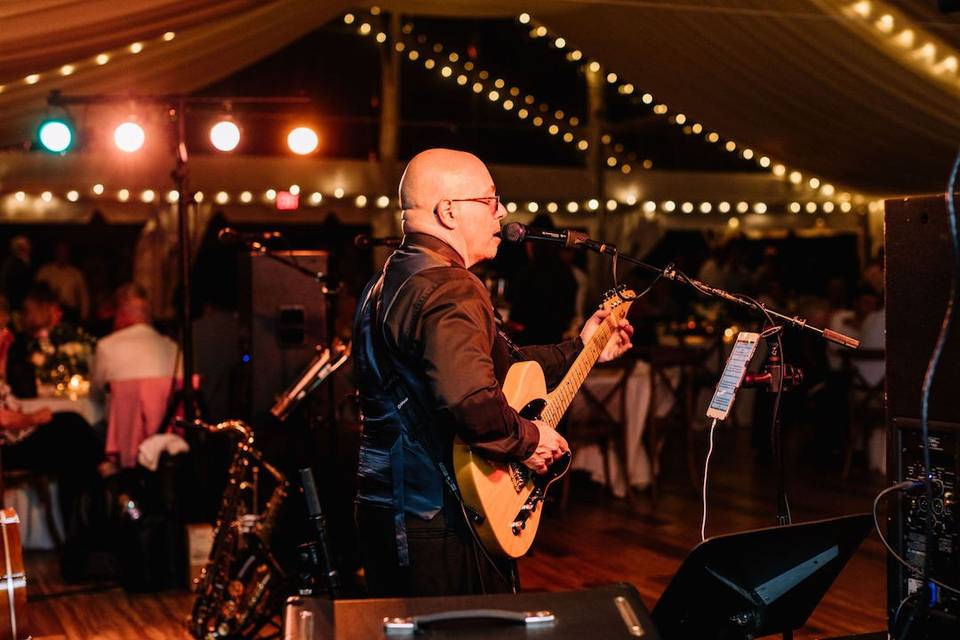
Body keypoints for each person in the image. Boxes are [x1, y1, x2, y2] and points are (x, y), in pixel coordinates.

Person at [352, 148, 634, 597]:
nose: (501, 211)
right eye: (489, 200)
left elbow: (502, 367)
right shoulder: (451, 286)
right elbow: (472, 403)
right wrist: (530, 439)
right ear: (448, 211)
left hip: (392, 511)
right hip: (442, 519)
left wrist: (582, 349)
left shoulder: (388, 279)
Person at [35, 241, 90, 323]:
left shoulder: (75, 273)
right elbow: (36, 293)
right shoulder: (45, 271)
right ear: (55, 252)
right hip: (48, 313)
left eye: (64, 251)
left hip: (69, 313)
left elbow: (83, 296)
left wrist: (84, 316)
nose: (62, 254)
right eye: (60, 251)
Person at [0, 235, 33, 311]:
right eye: (26, 246)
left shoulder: (23, 264)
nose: (30, 248)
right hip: (15, 306)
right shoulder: (14, 265)